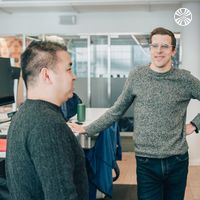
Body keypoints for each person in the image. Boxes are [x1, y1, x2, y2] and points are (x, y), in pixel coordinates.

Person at [69, 27, 200, 200]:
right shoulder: (137, 76)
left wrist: (195, 124)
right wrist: (87, 129)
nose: (159, 51)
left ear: (173, 51)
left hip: (177, 160)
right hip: (146, 161)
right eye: (155, 46)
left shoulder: (185, 79)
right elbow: (117, 110)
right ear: (150, 49)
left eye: (165, 46)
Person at [5, 41, 88, 200]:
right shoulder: (47, 124)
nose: (74, 76)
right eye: (69, 69)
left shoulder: (24, 114)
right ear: (47, 75)